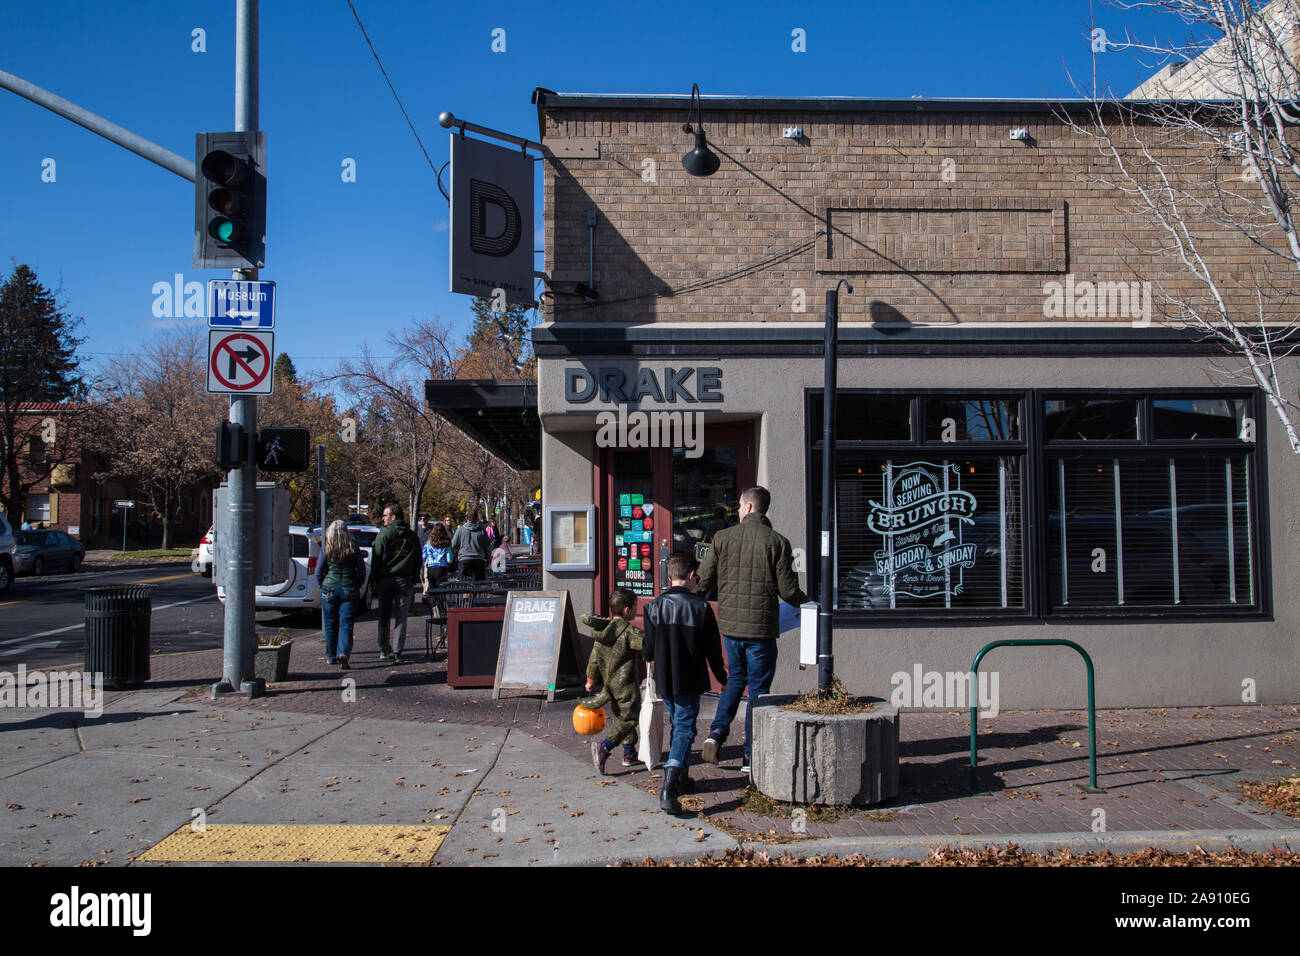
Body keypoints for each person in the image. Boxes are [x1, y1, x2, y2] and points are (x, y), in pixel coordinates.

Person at [696, 485, 808, 773]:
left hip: (731, 627)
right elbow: (788, 591)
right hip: (761, 631)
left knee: (735, 680)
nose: (736, 510)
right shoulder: (778, 542)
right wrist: (810, 604)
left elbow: (704, 580)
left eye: (738, 505)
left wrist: (686, 602)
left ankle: (716, 734)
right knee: (758, 689)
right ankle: (750, 755)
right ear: (763, 508)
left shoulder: (722, 538)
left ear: (747, 507)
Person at [642, 551, 726, 814]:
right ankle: (668, 786)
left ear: (670, 576)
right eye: (697, 577)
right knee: (685, 729)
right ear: (691, 576)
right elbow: (713, 649)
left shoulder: (653, 607)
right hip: (690, 678)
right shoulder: (701, 608)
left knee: (678, 724)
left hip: (665, 678)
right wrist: (722, 677)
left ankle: (681, 779)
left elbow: (648, 651)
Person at [579, 588, 643, 774]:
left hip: (609, 687)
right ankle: (605, 747)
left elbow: (593, 659)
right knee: (630, 718)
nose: (635, 611)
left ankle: (629, 753)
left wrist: (591, 680)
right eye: (635, 608)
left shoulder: (601, 633)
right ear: (626, 611)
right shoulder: (630, 632)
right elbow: (648, 644)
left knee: (622, 717)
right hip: (626, 686)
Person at [370, 503, 421, 664]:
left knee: (383, 616)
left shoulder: (383, 535)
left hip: (385, 579)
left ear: (393, 517)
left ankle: (384, 649)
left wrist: (375, 578)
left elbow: (376, 559)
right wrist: (414, 578)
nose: (383, 518)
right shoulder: (412, 536)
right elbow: (418, 559)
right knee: (401, 617)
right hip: (404, 580)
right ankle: (398, 652)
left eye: (385, 515)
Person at [316, 520, 366, 669]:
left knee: (330, 624)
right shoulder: (353, 547)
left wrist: (322, 585)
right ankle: (343, 652)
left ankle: (331, 656)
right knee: (346, 624)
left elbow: (319, 571)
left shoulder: (327, 547)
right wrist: (356, 585)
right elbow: (361, 571)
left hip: (329, 587)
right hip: (349, 588)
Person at [450, 508, 492, 580]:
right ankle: (480, 591)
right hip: (479, 559)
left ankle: (466, 591)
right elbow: (488, 546)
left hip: (464, 559)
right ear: (477, 518)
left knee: (464, 585)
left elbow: (453, 544)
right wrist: (488, 560)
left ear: (466, 518)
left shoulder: (460, 530)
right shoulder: (482, 530)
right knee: (480, 584)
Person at [421, 522, 453, 593]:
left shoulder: (428, 544)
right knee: (441, 590)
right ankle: (440, 603)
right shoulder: (446, 544)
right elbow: (450, 560)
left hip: (431, 568)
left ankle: (432, 603)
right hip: (441, 569)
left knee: (432, 588)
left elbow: (423, 557)